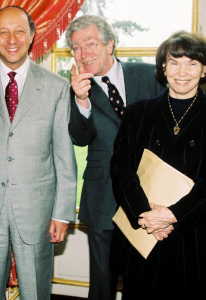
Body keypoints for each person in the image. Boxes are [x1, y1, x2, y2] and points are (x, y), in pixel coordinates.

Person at [0, 6, 77, 300]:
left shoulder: (57, 87)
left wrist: (62, 214)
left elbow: (64, 158)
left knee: (36, 293)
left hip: (37, 213)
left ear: (33, 35)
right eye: (3, 32)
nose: (12, 39)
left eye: (19, 31)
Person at [66, 15, 165, 300]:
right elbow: (79, 138)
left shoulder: (149, 75)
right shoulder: (75, 89)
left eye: (90, 43)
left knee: (148, 278)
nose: (83, 54)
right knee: (102, 283)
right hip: (102, 197)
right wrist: (81, 101)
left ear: (110, 44)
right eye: (76, 48)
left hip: (151, 196)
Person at [110, 31, 206, 299]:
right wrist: (146, 215)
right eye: (174, 62)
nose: (182, 71)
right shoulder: (138, 112)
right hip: (142, 235)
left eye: (192, 63)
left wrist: (173, 215)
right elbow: (120, 167)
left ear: (204, 69)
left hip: (193, 240)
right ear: (163, 67)